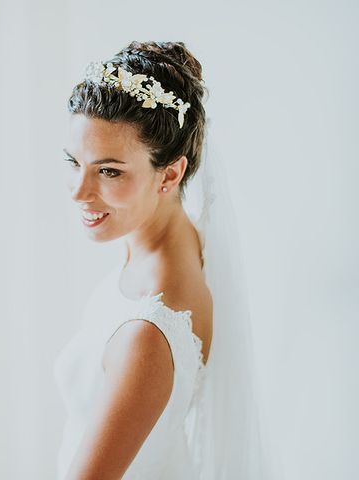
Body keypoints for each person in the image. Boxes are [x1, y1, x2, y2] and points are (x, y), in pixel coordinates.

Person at [53, 41, 275, 479]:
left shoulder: (147, 336)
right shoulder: (184, 234)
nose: (78, 191)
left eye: (109, 171)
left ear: (170, 174)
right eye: (73, 162)